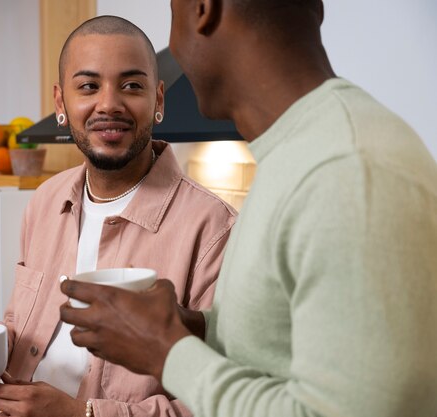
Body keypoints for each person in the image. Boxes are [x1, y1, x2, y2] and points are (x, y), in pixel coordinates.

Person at [60, 1, 437, 417]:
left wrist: (168, 353)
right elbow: (281, 350)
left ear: (203, 9)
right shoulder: (300, 155)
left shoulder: (349, 171)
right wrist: (195, 329)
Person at [0, 15, 237, 417]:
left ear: (158, 100)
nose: (109, 104)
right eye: (89, 86)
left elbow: (223, 402)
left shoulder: (213, 228)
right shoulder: (45, 202)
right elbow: (35, 333)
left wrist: (82, 415)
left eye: (131, 85)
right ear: (61, 103)